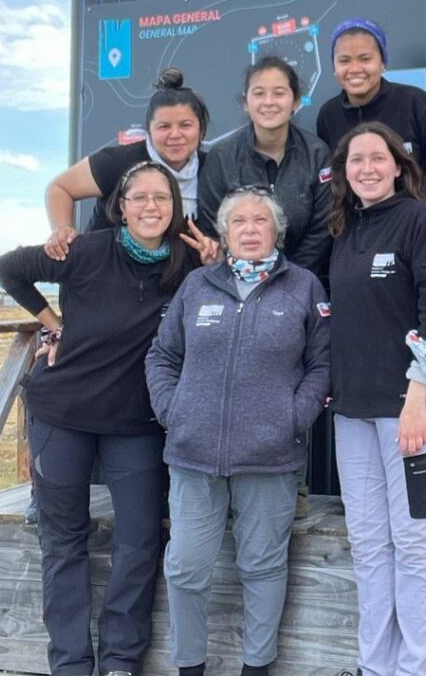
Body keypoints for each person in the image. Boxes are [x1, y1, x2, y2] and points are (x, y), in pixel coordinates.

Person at [0, 162, 218, 676]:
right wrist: (55, 325)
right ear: (120, 206)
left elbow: (221, 305)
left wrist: (217, 261)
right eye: (138, 197)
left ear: (175, 206)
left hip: (136, 423)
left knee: (140, 539)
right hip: (63, 414)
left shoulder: (187, 262)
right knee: (63, 539)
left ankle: (119, 661)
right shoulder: (85, 249)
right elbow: (7, 267)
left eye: (161, 197)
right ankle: (71, 662)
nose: (150, 207)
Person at [146, 188, 331, 676]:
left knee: (263, 567)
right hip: (192, 454)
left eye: (260, 221)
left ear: (276, 231)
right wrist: (174, 410)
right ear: (224, 234)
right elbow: (162, 356)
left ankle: (257, 667)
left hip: (270, 457)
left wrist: (294, 418)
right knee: (185, 569)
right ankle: (189, 666)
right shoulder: (197, 285)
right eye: (239, 222)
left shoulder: (304, 287)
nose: (250, 229)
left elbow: (322, 364)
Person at [328, 121, 426, 676]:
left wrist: (415, 401)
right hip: (353, 412)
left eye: (377, 158)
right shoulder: (343, 229)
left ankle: (413, 669)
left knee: (410, 541)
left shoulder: (423, 222)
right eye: (355, 160)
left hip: (412, 411)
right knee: (367, 545)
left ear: (399, 165)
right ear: (344, 172)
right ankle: (374, 666)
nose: (366, 168)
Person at [315, 18, 426, 291]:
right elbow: (333, 187)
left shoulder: (417, 104)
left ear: (383, 62)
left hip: (419, 245)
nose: (354, 69)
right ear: (333, 68)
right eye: (344, 60)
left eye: (365, 58)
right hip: (358, 250)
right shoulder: (329, 116)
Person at [45, 68, 210, 260]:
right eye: (164, 126)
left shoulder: (214, 168)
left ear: (201, 128)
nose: (175, 135)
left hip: (170, 280)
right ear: (149, 129)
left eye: (185, 125)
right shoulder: (118, 162)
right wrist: (62, 229)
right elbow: (59, 188)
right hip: (102, 274)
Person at [197, 56, 331, 277]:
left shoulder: (317, 154)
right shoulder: (222, 157)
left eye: (279, 93)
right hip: (236, 282)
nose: (269, 102)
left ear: (296, 101)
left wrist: (290, 279)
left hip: (302, 280)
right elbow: (212, 228)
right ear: (245, 102)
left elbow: (322, 230)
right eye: (259, 93)